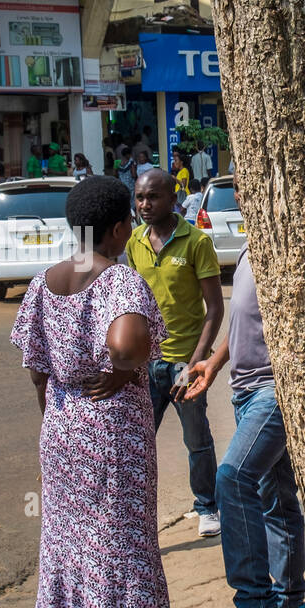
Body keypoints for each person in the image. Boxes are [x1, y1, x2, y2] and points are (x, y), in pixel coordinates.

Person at [9, 175, 176, 608]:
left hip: (61, 433)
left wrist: (62, 408)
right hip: (110, 437)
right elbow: (128, 344)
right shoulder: (119, 281)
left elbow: (36, 368)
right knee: (119, 555)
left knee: (68, 553)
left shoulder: (44, 282)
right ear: (118, 228)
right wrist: (122, 369)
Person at [183, 175, 305, 608]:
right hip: (243, 388)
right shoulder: (253, 247)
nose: (240, 197)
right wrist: (212, 367)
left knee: (232, 477)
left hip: (274, 391)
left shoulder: (288, 246)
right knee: (277, 500)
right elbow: (242, 325)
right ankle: (290, 603)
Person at [126, 169, 225, 536]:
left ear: (173, 198)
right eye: (139, 198)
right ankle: (135, 515)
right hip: (146, 364)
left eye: (152, 197)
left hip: (185, 361)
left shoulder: (195, 242)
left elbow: (214, 308)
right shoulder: (135, 241)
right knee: (136, 440)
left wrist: (197, 363)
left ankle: (208, 507)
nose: (144, 205)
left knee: (196, 440)